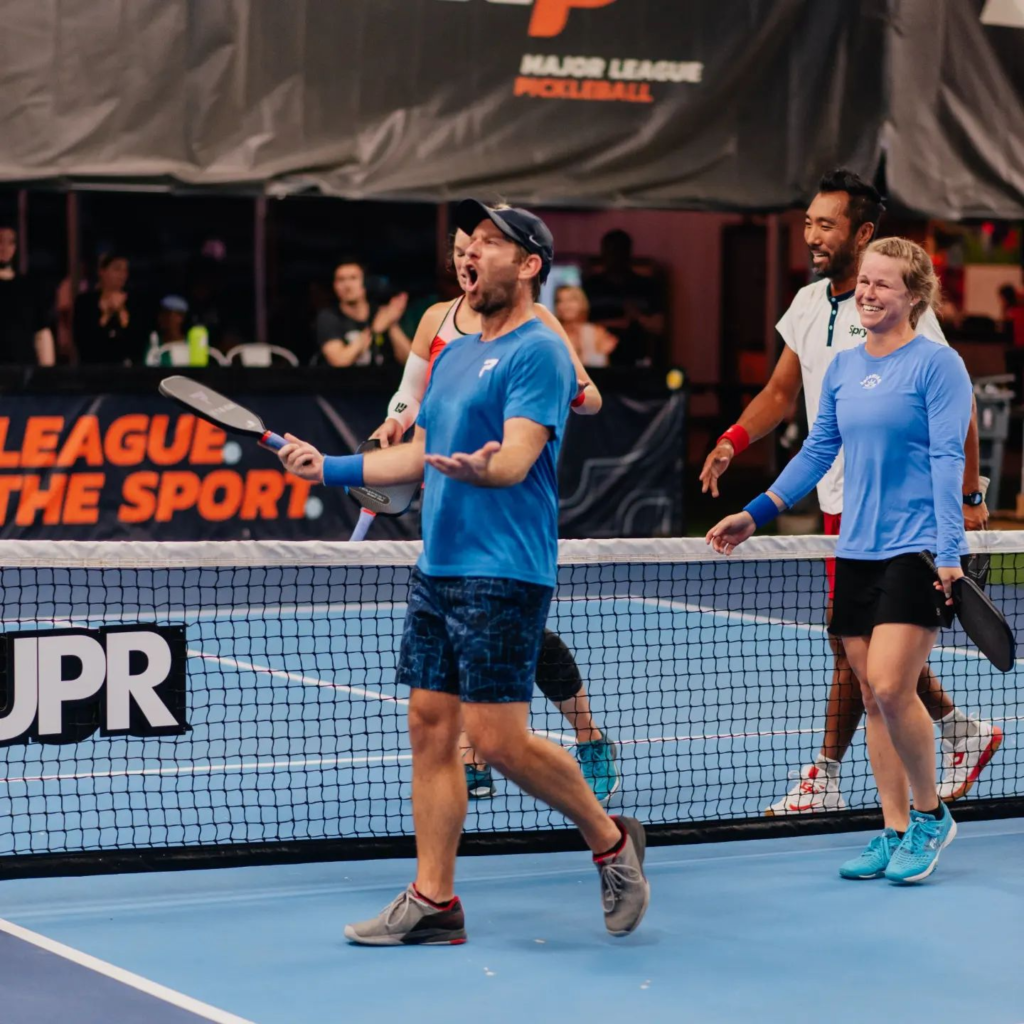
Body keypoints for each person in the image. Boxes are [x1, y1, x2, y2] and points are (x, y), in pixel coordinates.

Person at [278, 200, 650, 943]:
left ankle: (611, 843)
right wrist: (331, 467)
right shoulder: (451, 352)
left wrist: (484, 469)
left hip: (504, 569)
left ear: (529, 265)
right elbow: (417, 455)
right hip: (437, 565)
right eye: (469, 242)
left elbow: (516, 458)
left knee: (501, 741)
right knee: (429, 729)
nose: (472, 253)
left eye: (489, 243)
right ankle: (434, 900)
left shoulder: (538, 350)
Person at [699, 169, 1000, 814]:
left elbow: (955, 434)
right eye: (807, 222)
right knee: (872, 675)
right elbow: (799, 423)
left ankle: (868, 790)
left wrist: (966, 516)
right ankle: (935, 763)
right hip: (850, 520)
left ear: (865, 236)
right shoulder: (819, 325)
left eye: (825, 224)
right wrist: (747, 483)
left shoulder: (927, 349)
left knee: (880, 675)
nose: (811, 235)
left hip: (915, 529)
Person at [371, 218, 618, 805]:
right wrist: (397, 421)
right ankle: (469, 755)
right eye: (460, 250)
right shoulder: (437, 321)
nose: (466, 258)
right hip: (448, 505)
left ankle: (588, 737)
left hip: (506, 513)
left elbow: (589, 397)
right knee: (454, 652)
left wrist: (564, 388)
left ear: (519, 262)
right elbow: (412, 391)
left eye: (476, 247)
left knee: (531, 644)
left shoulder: (537, 327)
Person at [583, 229, 666, 367]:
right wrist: (619, 322)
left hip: (636, 359)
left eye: (619, 251)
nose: (615, 257)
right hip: (596, 359)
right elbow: (579, 325)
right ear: (603, 253)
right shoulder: (590, 286)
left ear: (628, 253)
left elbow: (659, 326)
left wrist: (638, 318)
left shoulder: (646, 286)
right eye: (610, 251)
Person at [316, 260, 411, 368]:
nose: (347, 286)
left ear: (365, 283)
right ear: (335, 286)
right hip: (345, 382)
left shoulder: (380, 313)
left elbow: (410, 361)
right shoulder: (329, 317)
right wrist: (374, 330)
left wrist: (391, 323)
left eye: (353, 278)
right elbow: (340, 361)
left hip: (385, 381)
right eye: (341, 280)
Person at [0, 225, 55, 365]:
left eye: (10, 242)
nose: (5, 247)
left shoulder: (28, 287)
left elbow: (41, 331)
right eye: (0, 241)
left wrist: (46, 373)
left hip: (22, 367)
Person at [73, 252, 141, 365]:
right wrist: (107, 315)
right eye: (117, 269)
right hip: (93, 369)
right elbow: (84, 341)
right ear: (102, 271)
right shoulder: (85, 302)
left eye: (125, 270)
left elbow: (137, 341)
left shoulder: (134, 302)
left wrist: (121, 312)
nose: (122, 275)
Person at [555, 284, 618, 367]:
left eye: (571, 300)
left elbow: (602, 367)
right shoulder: (552, 333)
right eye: (560, 301)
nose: (566, 305)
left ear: (581, 303)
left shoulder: (596, 332)